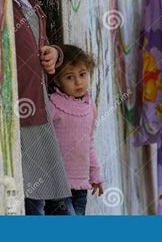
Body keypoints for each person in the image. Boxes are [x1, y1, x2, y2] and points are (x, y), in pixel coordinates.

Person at [9, 0, 74, 215]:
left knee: (51, 198)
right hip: (21, 116)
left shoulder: (31, 4)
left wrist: (55, 54)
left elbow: (43, 45)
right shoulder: (2, 10)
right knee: (34, 200)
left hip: (39, 111)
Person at [49, 44, 104, 215]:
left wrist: (95, 175)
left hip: (81, 185)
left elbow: (89, 143)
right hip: (58, 183)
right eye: (69, 77)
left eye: (82, 74)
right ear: (57, 80)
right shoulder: (53, 104)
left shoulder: (90, 107)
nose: (78, 82)